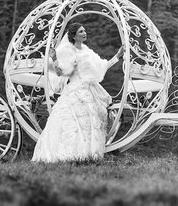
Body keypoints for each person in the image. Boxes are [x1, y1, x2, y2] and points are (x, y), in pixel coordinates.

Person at [32, 22, 124, 162]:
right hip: (75, 90)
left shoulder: (87, 51)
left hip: (90, 90)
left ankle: (87, 156)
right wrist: (55, 59)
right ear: (73, 36)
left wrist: (117, 56)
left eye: (85, 30)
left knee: (91, 123)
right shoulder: (68, 51)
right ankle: (69, 154)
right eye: (81, 31)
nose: (84, 33)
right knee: (71, 122)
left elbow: (102, 66)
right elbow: (60, 73)